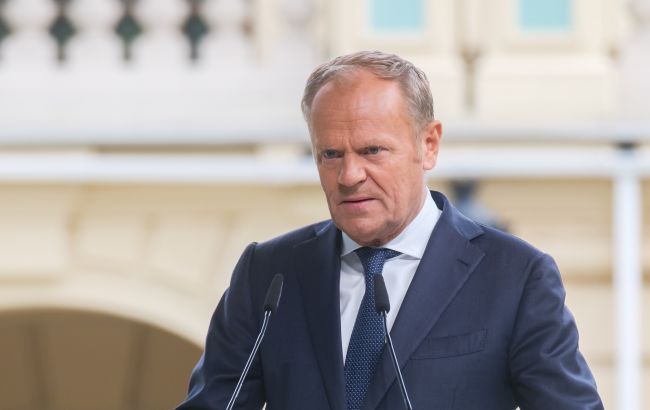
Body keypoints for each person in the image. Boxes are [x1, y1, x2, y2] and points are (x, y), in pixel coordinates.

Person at [176, 51, 603, 410]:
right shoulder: (268, 274)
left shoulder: (514, 277)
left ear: (428, 145)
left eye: (372, 151)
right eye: (330, 154)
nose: (349, 175)